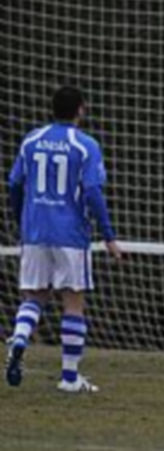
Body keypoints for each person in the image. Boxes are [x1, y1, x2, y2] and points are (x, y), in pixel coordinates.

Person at [5, 85, 122, 393]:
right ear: (80, 110)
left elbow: (14, 183)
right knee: (73, 302)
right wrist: (108, 235)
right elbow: (93, 192)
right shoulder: (85, 146)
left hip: (35, 231)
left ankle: (19, 338)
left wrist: (21, 218)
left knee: (34, 297)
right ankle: (70, 378)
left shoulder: (31, 140)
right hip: (70, 234)